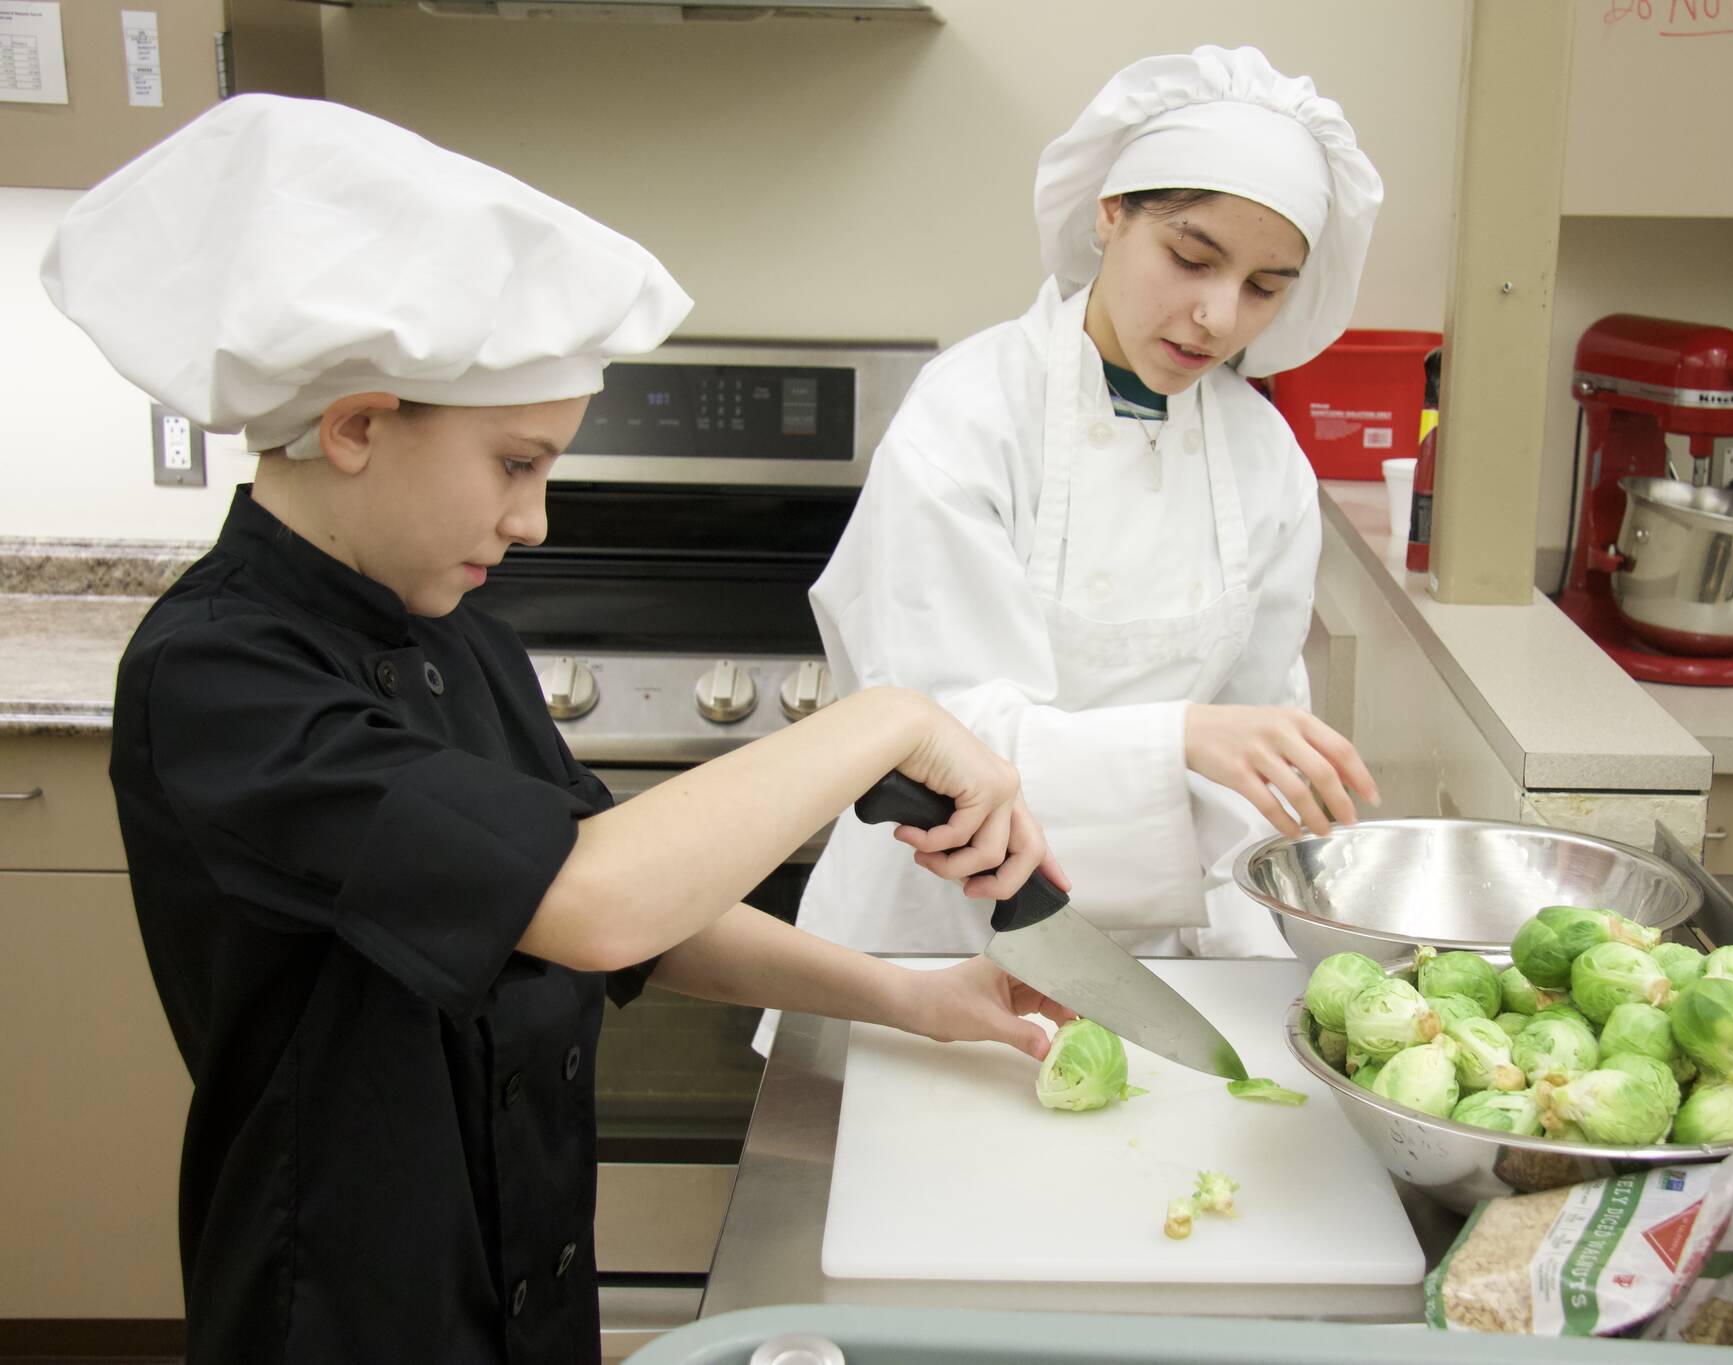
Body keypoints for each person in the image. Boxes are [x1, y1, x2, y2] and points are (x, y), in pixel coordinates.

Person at [42, 95, 1073, 1365]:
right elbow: (592, 903)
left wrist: (906, 996)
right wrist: (885, 720)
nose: (533, 522)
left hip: (525, 1272)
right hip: (350, 1314)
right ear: (358, 426)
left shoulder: (459, 633)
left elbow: (638, 909)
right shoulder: (221, 678)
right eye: (516, 464)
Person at [796, 47, 1385, 959]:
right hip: (935, 932)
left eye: (1265, 288)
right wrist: (1178, 739)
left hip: (1165, 947)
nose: (1220, 316)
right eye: (1192, 258)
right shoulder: (970, 416)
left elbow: (1257, 743)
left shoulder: (1266, 459)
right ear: (1111, 213)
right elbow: (924, 739)